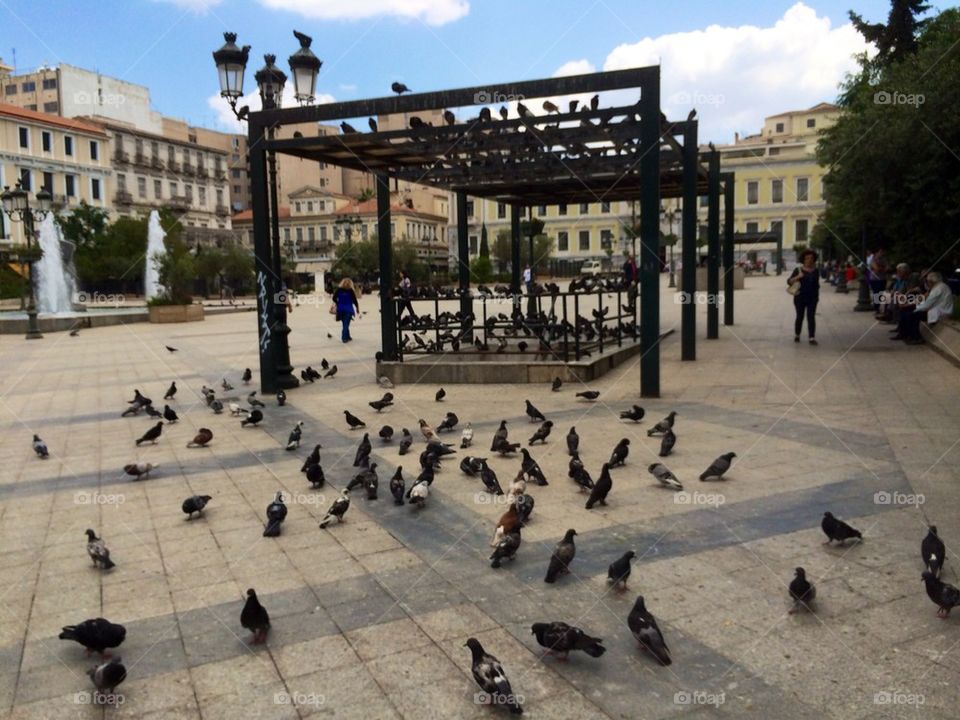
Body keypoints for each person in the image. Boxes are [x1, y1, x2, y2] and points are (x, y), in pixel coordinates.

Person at [891, 271, 954, 344]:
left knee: (912, 315)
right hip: (934, 309)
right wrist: (909, 305)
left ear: (931, 281)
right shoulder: (938, 286)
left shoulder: (938, 289)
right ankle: (903, 333)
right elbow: (924, 299)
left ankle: (916, 338)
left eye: (927, 281)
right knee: (905, 310)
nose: (927, 283)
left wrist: (914, 309)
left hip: (940, 312)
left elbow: (926, 305)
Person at [788, 249, 820, 345]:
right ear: (803, 260)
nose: (809, 260)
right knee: (800, 316)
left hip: (812, 298)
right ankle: (797, 335)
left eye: (811, 258)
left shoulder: (816, 271)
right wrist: (798, 277)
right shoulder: (798, 270)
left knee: (811, 317)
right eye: (807, 258)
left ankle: (811, 337)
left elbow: (816, 284)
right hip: (800, 298)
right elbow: (789, 282)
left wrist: (816, 297)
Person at [332, 277, 360, 343]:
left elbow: (333, 298)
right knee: (346, 324)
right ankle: (344, 338)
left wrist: (338, 302)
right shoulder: (350, 290)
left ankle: (348, 336)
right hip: (348, 309)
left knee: (344, 323)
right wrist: (357, 308)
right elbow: (355, 300)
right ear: (350, 284)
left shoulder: (339, 290)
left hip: (340, 308)